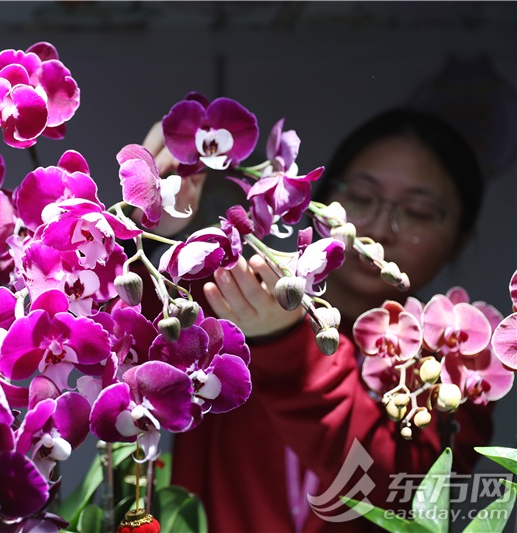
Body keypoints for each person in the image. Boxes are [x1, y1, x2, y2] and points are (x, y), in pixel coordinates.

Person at [139, 108, 493, 532]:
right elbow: (109, 340)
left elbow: (398, 489)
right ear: (318, 201)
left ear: (461, 240)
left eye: (418, 212)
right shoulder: (231, 299)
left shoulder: (459, 367)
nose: (380, 227)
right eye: (361, 197)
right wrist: (146, 222)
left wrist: (287, 347)